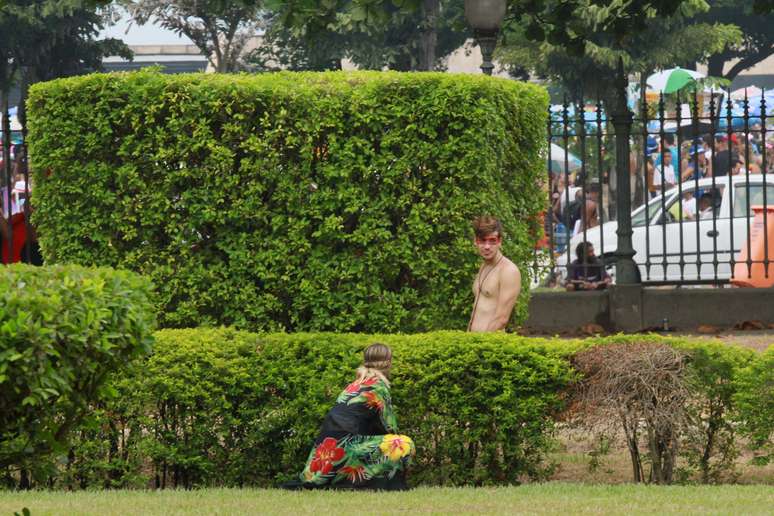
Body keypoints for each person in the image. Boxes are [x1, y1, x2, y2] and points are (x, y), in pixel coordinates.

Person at [288, 343, 414, 490]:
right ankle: (384, 484)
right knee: (404, 443)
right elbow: (390, 427)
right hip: (347, 448)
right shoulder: (379, 386)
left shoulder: (356, 384)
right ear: (389, 362)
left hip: (328, 453)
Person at [468, 216, 521, 332]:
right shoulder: (484, 265)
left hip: (489, 346)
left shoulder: (508, 271)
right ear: (475, 241)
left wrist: (481, 344)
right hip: (473, 343)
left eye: (492, 241)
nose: (487, 247)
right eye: (482, 240)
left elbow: (501, 319)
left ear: (500, 242)